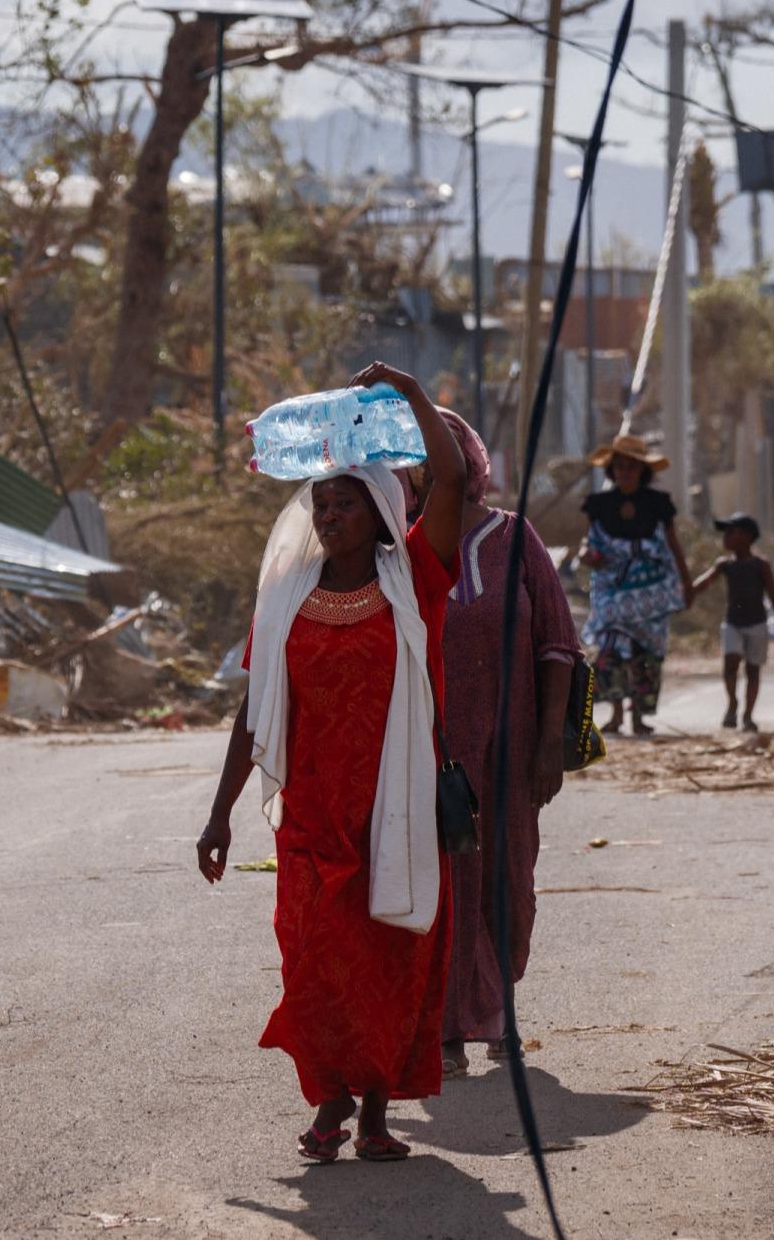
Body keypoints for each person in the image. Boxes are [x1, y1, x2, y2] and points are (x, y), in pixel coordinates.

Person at [197, 362, 469, 1165]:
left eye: (345, 501)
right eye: (321, 502)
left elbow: (448, 474)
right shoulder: (285, 597)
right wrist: (218, 814)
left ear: (380, 512)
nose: (329, 514)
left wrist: (411, 391)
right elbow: (256, 709)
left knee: (388, 955)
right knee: (314, 957)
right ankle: (332, 1099)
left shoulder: (415, 579)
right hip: (313, 815)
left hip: (396, 806)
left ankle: (377, 1109)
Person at [411, 408, 581, 1074]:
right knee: (449, 883)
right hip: (438, 753)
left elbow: (559, 645)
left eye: (446, 455)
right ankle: (451, 1028)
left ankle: (501, 1006)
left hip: (513, 750)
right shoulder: (403, 548)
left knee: (511, 879)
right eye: (425, 458)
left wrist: (547, 744)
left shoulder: (516, 537)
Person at [579, 434, 691, 737]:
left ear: (643, 470)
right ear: (611, 470)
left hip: (652, 592)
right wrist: (588, 556)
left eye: (632, 466)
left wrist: (686, 583)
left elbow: (672, 544)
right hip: (611, 591)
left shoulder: (658, 503)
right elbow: (589, 543)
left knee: (647, 655)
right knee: (610, 652)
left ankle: (639, 716)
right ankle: (615, 715)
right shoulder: (599, 504)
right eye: (620, 466)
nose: (626, 471)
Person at [691, 513, 774, 732]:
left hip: (757, 623)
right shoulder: (724, 565)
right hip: (733, 623)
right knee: (730, 664)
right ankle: (732, 704)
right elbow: (704, 582)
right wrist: (686, 592)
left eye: (730, 532)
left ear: (746, 537)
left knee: (753, 670)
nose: (725, 537)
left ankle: (748, 715)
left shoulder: (760, 565)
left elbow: (773, 595)